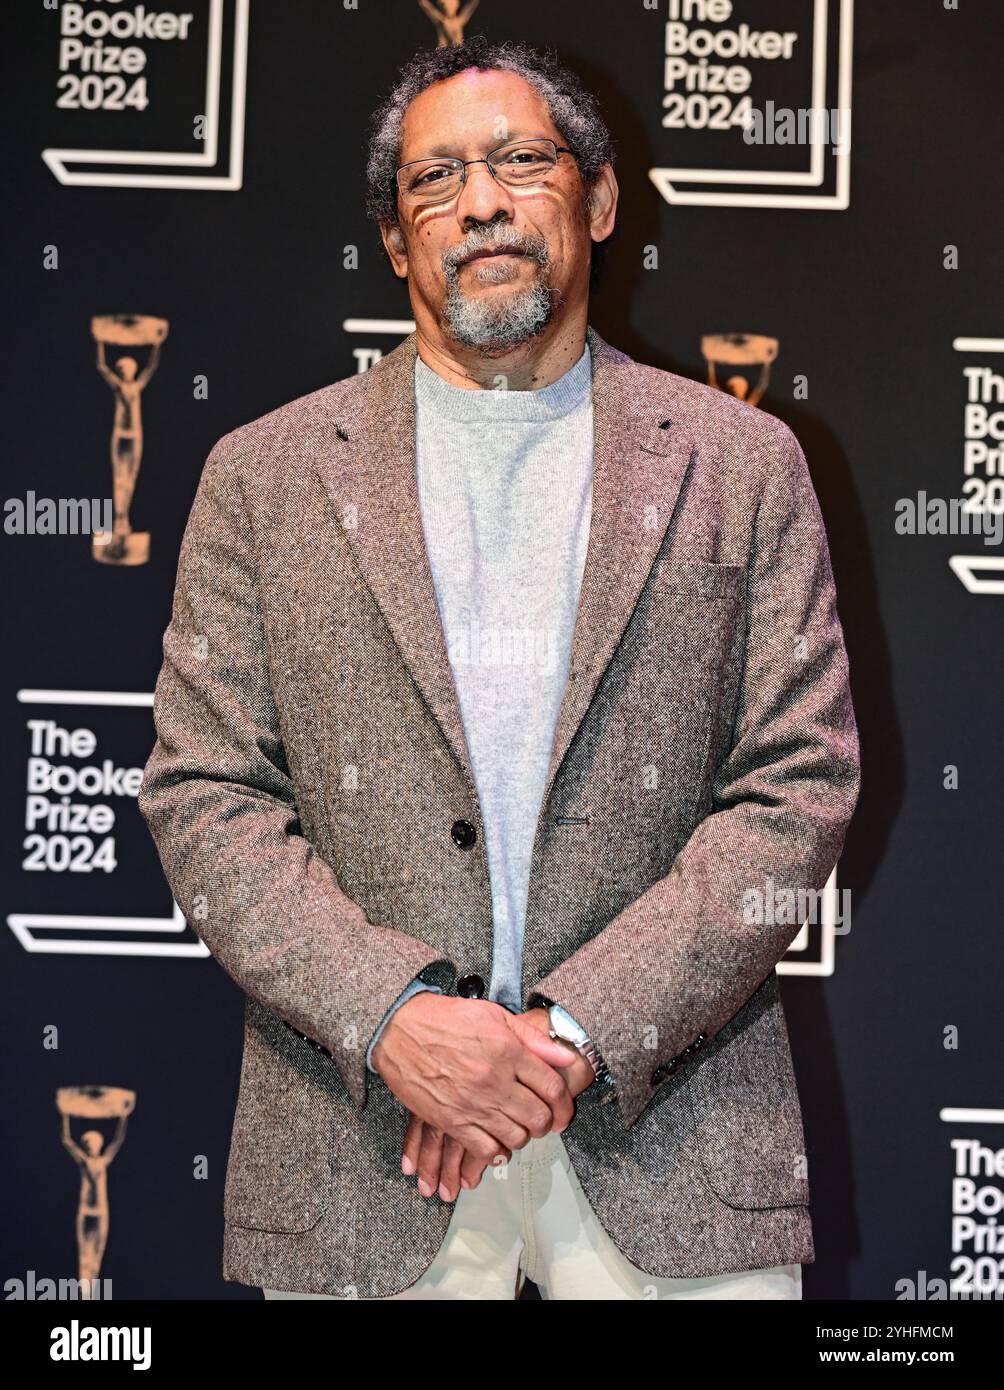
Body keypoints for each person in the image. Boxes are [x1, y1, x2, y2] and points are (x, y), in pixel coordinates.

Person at [139, 36, 860, 1300]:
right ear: (395, 236)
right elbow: (205, 796)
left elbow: (796, 784)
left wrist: (572, 1036)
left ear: (594, 199)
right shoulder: (261, 479)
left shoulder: (742, 465)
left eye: (520, 161)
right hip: (366, 1153)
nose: (479, 201)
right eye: (435, 179)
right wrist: (396, 1017)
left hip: (673, 1140)